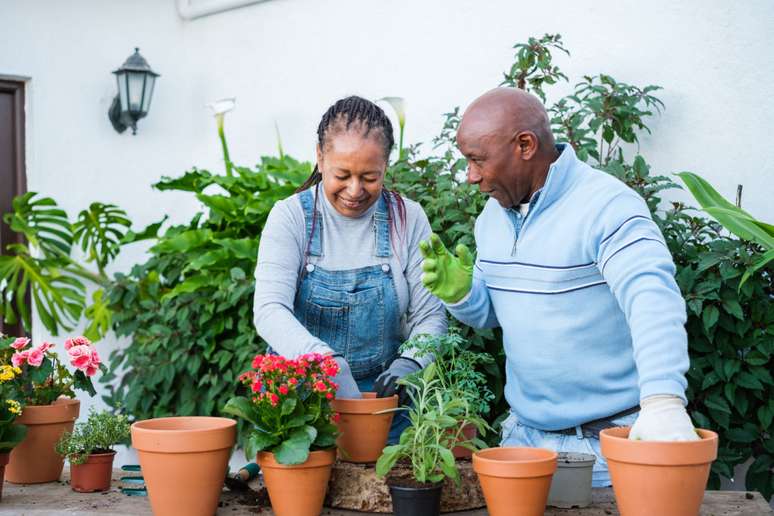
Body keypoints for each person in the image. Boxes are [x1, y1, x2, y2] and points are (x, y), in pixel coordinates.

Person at [420, 87, 698, 486]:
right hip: (522, 440)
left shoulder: (606, 206)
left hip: (604, 449)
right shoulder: (493, 215)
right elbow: (495, 315)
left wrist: (664, 401)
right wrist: (463, 294)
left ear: (525, 145)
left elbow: (652, 298)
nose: (471, 176)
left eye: (478, 160)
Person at [253, 95, 447, 441]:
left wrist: (413, 361)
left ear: (386, 165)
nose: (354, 191)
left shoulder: (408, 218)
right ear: (319, 157)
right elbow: (269, 309)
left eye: (370, 177)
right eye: (341, 175)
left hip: (388, 408)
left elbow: (431, 316)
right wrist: (324, 362)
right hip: (302, 409)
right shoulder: (292, 217)